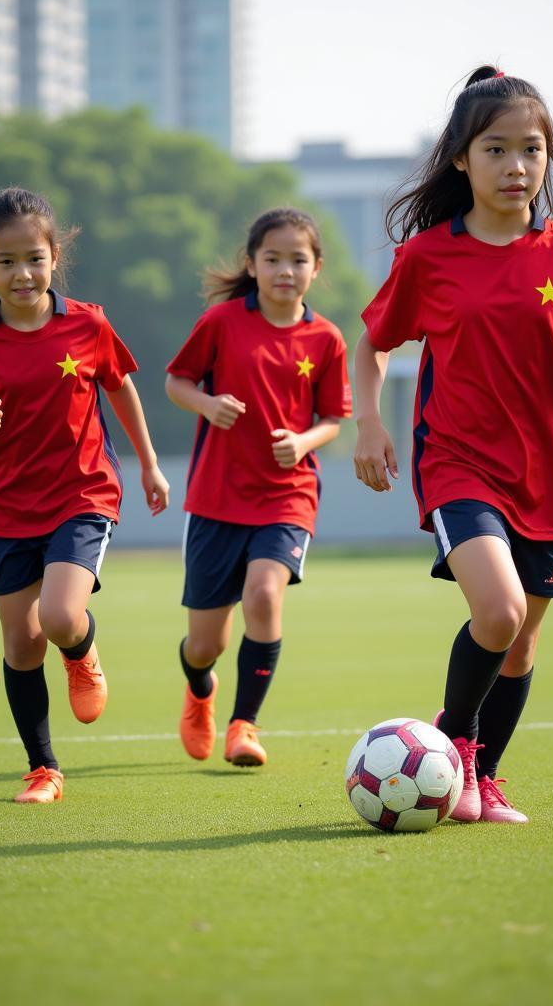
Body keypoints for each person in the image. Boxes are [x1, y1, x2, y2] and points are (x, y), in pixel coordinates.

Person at [353, 67, 553, 823]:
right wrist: (369, 422)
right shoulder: (429, 258)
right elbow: (371, 345)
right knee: (499, 612)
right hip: (458, 464)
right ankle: (455, 748)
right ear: (461, 161)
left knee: (522, 640)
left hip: (550, 474)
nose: (516, 166)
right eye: (496, 149)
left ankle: (485, 776)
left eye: (531, 149)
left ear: (548, 157)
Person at [0, 187, 170, 804]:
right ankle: (44, 770)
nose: (22, 273)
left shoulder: (87, 322)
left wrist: (148, 465)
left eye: (34, 258)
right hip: (7, 505)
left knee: (61, 617)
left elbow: (119, 388)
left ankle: (82, 651)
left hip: (82, 491)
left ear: (54, 256)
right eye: (6, 261)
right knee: (20, 643)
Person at [166, 207, 352, 768]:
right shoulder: (221, 322)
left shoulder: (326, 338)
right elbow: (177, 381)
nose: (284, 270)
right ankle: (200, 690)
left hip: (286, 495)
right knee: (206, 645)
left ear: (316, 267)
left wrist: (303, 442)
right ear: (252, 264)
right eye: (272, 258)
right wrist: (207, 403)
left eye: (298, 259)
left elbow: (333, 419)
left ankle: (243, 726)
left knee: (265, 597)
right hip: (217, 498)